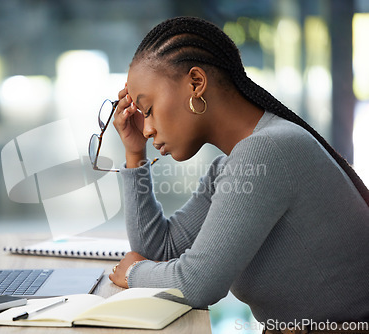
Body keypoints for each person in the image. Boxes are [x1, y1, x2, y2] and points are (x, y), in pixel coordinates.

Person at [106, 16, 369, 333]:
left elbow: (195, 284)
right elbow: (158, 250)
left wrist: (135, 272)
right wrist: (135, 155)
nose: (146, 129)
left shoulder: (267, 152)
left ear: (196, 83)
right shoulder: (233, 166)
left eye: (148, 110)